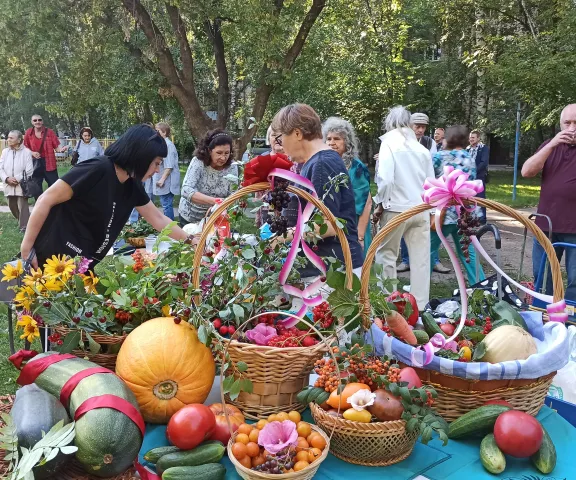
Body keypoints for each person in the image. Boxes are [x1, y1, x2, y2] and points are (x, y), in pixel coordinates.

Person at [20, 124, 191, 271]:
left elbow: (158, 218)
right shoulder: (98, 169)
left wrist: (190, 241)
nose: (157, 170)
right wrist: (26, 248)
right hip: (50, 258)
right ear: (142, 157)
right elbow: (45, 200)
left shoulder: (132, 184)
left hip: (81, 265)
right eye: (157, 163)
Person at [270, 103, 364, 279]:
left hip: (333, 272)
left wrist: (281, 237)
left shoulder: (321, 164)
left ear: (297, 134)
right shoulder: (317, 161)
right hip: (325, 269)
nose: (281, 146)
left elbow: (328, 224)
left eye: (281, 138)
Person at [373, 106, 433, 311]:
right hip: (420, 208)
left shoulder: (388, 144)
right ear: (408, 123)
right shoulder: (422, 149)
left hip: (395, 208)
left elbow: (386, 179)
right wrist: (432, 211)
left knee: (386, 254)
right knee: (421, 259)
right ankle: (420, 306)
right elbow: (431, 183)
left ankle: (389, 303)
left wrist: (380, 203)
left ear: (389, 124)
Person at [522, 103, 576, 299]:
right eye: (567, 123)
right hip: (547, 224)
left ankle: (571, 315)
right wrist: (552, 144)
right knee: (543, 278)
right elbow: (527, 171)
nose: (572, 129)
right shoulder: (550, 145)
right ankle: (543, 312)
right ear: (561, 125)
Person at [431, 125, 485, 285]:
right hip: (465, 212)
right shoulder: (469, 158)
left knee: (427, 249)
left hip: (444, 212)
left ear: (449, 139)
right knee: (468, 251)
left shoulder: (439, 157)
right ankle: (481, 286)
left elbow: (428, 176)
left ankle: (419, 287)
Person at [397, 112, 449, 274]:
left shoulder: (429, 142)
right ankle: (406, 260)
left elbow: (431, 165)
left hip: (425, 189)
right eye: (417, 126)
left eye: (423, 127)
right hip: (406, 190)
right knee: (406, 224)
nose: (420, 130)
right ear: (410, 126)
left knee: (429, 227)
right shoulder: (401, 142)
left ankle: (433, 260)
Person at [323, 116, 372, 255]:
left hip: (353, 227)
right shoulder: (323, 165)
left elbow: (366, 204)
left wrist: (360, 236)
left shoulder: (356, 167)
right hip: (330, 229)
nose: (331, 143)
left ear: (347, 142)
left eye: (337, 139)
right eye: (328, 139)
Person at [179, 129, 238, 226]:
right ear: (209, 150)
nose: (223, 157)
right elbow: (186, 190)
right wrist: (215, 201)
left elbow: (234, 193)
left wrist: (227, 206)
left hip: (217, 219)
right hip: (190, 218)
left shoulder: (232, 166)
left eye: (226, 153)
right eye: (219, 153)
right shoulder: (198, 162)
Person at [23, 115, 67, 196]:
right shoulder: (29, 132)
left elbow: (57, 147)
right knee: (36, 187)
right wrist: (32, 153)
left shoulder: (50, 132)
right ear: (32, 122)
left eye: (39, 120)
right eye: (35, 120)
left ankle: (53, 202)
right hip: (35, 163)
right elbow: (24, 147)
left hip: (49, 163)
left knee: (54, 186)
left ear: (42, 121)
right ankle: (39, 203)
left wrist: (61, 150)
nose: (37, 122)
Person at [0, 131, 33, 232]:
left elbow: (29, 170)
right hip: (8, 183)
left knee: (22, 206)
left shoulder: (26, 152)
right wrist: (6, 178)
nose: (8, 140)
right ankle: (24, 221)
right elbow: (1, 168)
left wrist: (17, 179)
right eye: (8, 137)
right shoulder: (5, 152)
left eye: (11, 138)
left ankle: (24, 227)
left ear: (19, 140)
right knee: (12, 205)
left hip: (21, 184)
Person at [152, 122, 180, 220]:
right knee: (165, 204)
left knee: (166, 205)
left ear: (164, 132)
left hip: (167, 182)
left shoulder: (168, 145)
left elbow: (169, 166)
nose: (155, 133)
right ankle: (169, 226)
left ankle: (170, 227)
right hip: (164, 181)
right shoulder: (164, 144)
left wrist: (162, 180)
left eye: (157, 131)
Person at [467, 130, 490, 223]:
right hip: (468, 178)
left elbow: (484, 162)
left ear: (478, 138)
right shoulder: (467, 149)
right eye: (470, 137)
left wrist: (473, 171)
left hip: (479, 177)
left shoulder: (483, 148)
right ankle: (470, 218)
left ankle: (482, 219)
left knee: (480, 198)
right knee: (469, 198)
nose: (471, 139)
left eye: (473, 137)